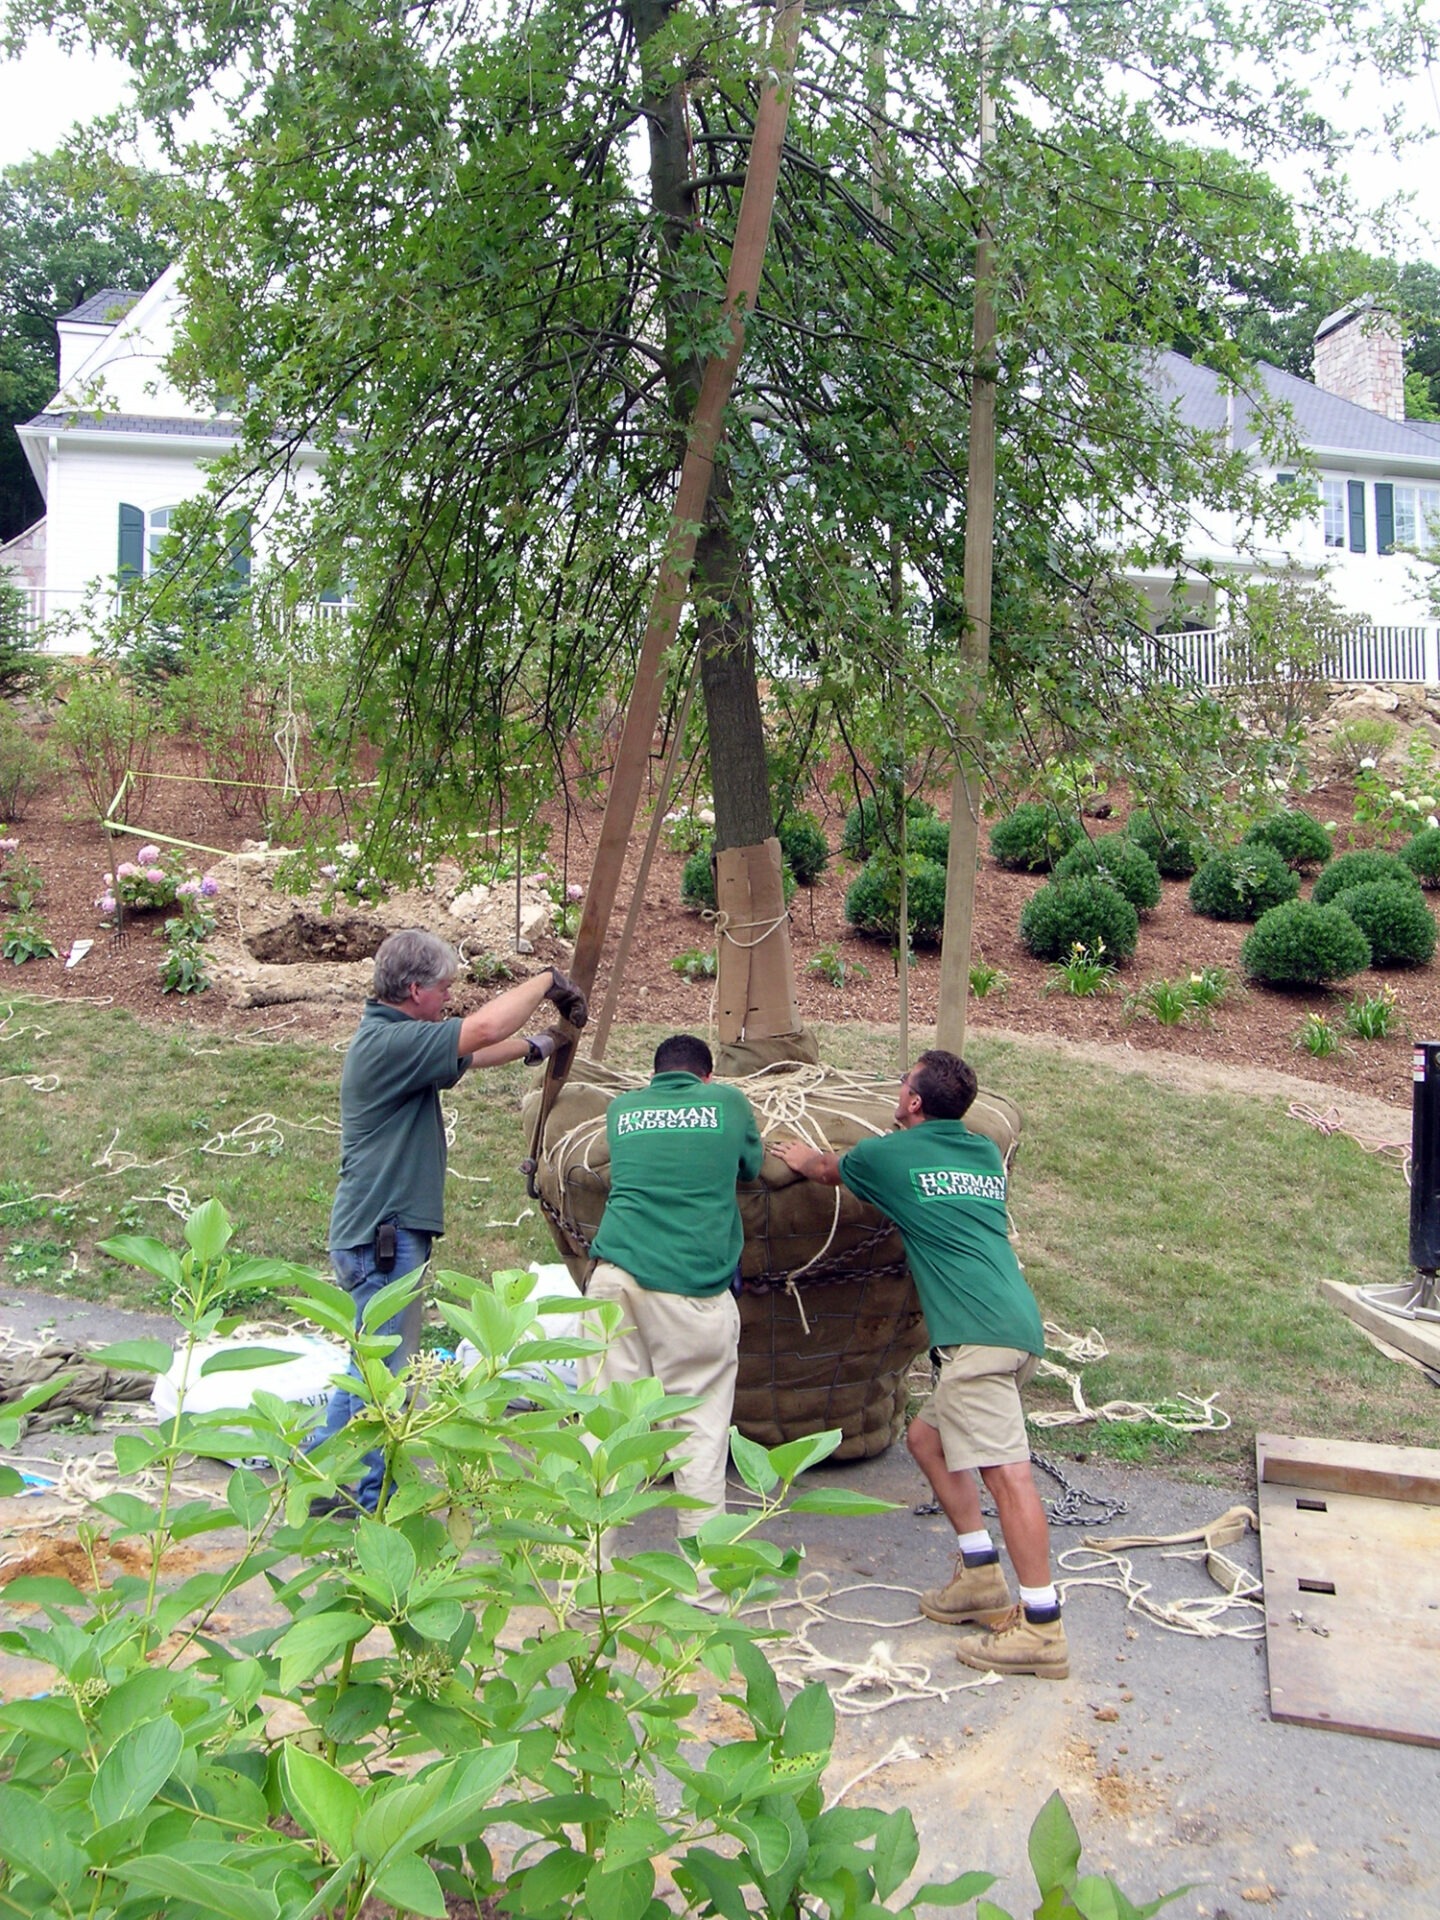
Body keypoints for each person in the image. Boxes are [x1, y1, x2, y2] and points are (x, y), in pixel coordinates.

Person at [775, 1048, 1068, 1680]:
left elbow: (828, 1169)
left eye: (903, 1084)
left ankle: (1043, 1628)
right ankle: (980, 1575)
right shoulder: (984, 1155)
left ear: (911, 1102)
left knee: (1007, 1476)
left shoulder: (887, 1156)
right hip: (1015, 1324)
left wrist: (800, 1159)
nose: (898, 1090)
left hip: (977, 1338)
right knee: (926, 1439)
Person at [309, 927, 587, 1516]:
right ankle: (327, 1486)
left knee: (382, 1368)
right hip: (382, 1238)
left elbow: (470, 1052)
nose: (448, 1000)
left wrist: (540, 1045)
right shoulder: (388, 1043)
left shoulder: (396, 1039)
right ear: (414, 990)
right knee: (379, 1373)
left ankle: (345, 1487)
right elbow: (482, 1029)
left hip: (382, 1233)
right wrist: (548, 981)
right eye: (443, 989)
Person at [576, 1033, 764, 1594]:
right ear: (706, 1076)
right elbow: (751, 1166)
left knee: (606, 1432)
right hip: (692, 1292)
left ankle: (588, 1583)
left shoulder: (622, 1109)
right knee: (700, 1436)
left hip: (612, 1280)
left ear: (653, 1076)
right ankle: (703, 1590)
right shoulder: (729, 1103)